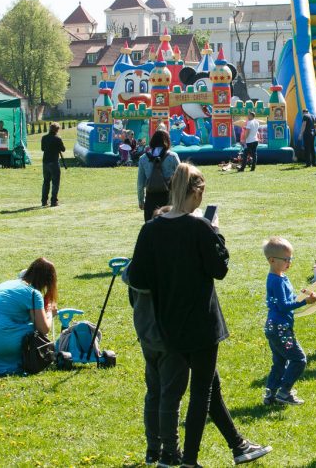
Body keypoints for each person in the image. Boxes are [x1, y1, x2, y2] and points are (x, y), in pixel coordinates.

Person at [129, 163, 271, 465]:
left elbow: (138, 278)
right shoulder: (200, 227)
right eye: (201, 193)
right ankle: (190, 461)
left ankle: (238, 445)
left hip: (169, 323)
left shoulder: (151, 229)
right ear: (195, 191)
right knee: (201, 393)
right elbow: (219, 269)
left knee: (211, 387)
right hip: (202, 324)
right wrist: (216, 232)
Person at [121, 260, 183, 466]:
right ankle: (171, 450)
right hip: (168, 337)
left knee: (154, 392)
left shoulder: (136, 264)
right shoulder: (167, 263)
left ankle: (152, 449)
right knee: (170, 395)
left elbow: (133, 300)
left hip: (146, 333)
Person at [0, 257, 58, 376]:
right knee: (37, 336)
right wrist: (50, 312)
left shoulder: (8, 284)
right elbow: (43, 329)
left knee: (29, 327)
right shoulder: (33, 293)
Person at [262, 236, 316, 406]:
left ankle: (270, 394)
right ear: (272, 260)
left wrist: (302, 296)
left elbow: (288, 298)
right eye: (286, 260)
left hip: (274, 327)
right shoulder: (276, 281)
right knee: (298, 359)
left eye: (290, 259)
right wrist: (304, 302)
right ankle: (284, 392)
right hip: (281, 329)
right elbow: (284, 306)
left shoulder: (280, 278)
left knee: (279, 361)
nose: (289, 263)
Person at [137, 129, 181, 222]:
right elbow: (181, 179)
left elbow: (140, 184)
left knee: (151, 231)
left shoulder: (143, 158)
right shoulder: (173, 156)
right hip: (168, 198)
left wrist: (141, 201)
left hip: (150, 199)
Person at [40, 122, 65, 207]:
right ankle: (54, 201)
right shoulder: (58, 139)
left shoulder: (44, 137)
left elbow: (43, 148)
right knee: (55, 182)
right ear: (57, 130)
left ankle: (44, 201)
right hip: (54, 162)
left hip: (45, 162)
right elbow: (63, 149)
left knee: (46, 182)